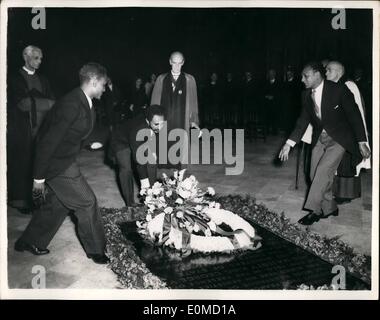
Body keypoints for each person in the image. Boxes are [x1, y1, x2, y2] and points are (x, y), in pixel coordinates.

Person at [14, 63, 109, 264]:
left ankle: (29, 241)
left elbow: (72, 132)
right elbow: (46, 143)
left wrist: (90, 143)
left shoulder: (84, 100)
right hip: (58, 165)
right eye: (103, 84)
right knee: (87, 202)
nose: (104, 88)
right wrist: (38, 179)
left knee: (59, 203)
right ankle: (96, 251)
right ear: (93, 82)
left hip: (63, 159)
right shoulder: (71, 104)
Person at [279, 62, 370, 226]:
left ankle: (315, 211)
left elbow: (354, 115)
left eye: (305, 76)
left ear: (317, 75)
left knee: (322, 171)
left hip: (339, 139)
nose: (302, 79)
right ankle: (330, 207)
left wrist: (362, 140)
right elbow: (303, 121)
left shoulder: (339, 90)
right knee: (313, 174)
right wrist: (289, 143)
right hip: (319, 138)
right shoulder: (306, 95)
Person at [7, 45, 55, 213]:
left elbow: (50, 98)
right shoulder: (14, 78)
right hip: (23, 128)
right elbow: (22, 103)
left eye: (41, 58)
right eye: (36, 58)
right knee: (25, 162)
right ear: (25, 57)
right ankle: (23, 201)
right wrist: (49, 104)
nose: (39, 61)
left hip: (42, 126)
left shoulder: (43, 79)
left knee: (41, 162)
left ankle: (39, 199)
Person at [325, 61, 371, 202]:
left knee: (346, 164)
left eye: (329, 70)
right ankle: (336, 191)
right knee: (337, 164)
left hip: (348, 133)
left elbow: (356, 114)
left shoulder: (348, 86)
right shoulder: (330, 86)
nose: (325, 73)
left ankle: (345, 195)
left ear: (338, 73)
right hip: (335, 132)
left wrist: (360, 139)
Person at [150, 51, 199, 168]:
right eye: (174, 63)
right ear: (170, 62)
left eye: (179, 63)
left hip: (181, 119)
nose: (176, 66)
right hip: (165, 120)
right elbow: (155, 102)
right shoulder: (161, 79)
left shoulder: (189, 80)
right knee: (163, 143)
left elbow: (193, 102)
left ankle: (179, 165)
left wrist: (194, 121)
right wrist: (152, 120)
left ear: (183, 63)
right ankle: (163, 165)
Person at [111, 105, 166, 200]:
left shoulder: (155, 122)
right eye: (156, 124)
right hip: (120, 140)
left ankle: (151, 196)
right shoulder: (138, 130)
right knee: (126, 168)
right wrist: (144, 181)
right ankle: (129, 203)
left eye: (162, 123)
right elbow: (139, 159)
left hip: (137, 137)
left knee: (152, 160)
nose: (160, 127)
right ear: (148, 122)